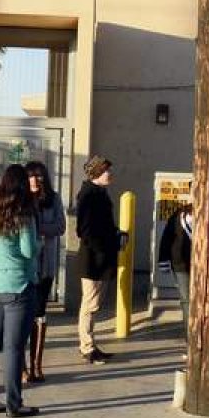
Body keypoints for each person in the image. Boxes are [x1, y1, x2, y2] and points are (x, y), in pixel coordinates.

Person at [0, 164, 40, 418]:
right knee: (13, 348)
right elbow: (28, 251)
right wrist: (39, 242)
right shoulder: (23, 213)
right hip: (16, 286)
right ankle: (14, 404)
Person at [76, 155, 121, 365]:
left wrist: (117, 234)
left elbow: (105, 224)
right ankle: (87, 346)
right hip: (93, 259)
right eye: (106, 171)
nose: (110, 174)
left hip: (102, 257)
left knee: (94, 304)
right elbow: (84, 230)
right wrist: (101, 248)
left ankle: (90, 343)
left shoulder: (100, 193)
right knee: (90, 304)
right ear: (96, 173)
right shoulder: (88, 195)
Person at [24, 161, 64, 383]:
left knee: (40, 313)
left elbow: (60, 226)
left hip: (46, 265)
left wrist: (36, 229)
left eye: (39, 176)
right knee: (21, 316)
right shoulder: (20, 200)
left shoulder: (54, 198)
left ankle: (36, 365)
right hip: (25, 266)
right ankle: (22, 367)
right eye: (31, 176)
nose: (35, 180)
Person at [158, 203, 193, 347]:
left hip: (203, 265)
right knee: (186, 301)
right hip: (180, 264)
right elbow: (167, 237)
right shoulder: (180, 214)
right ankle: (190, 338)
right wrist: (163, 260)